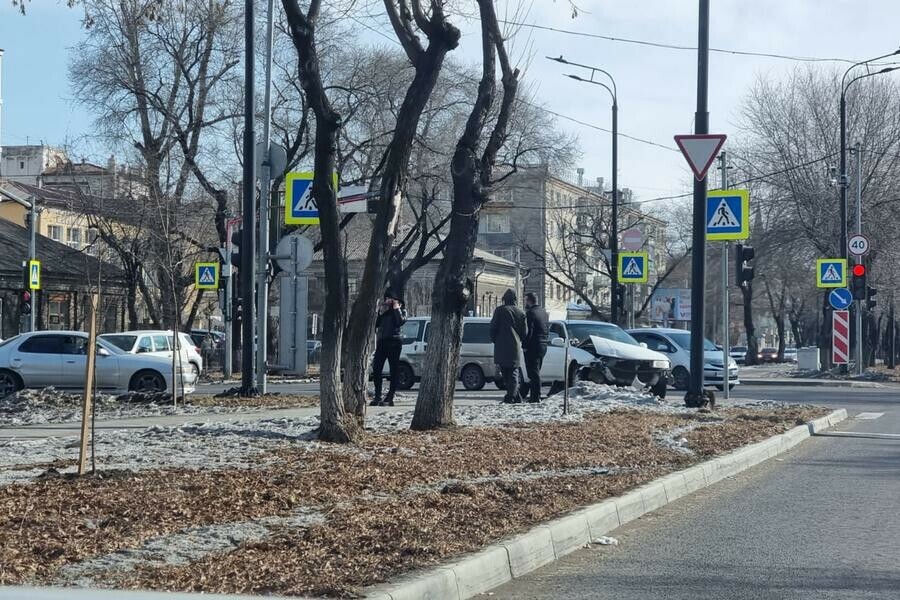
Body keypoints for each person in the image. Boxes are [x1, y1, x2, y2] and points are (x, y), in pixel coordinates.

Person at [490, 288, 527, 404]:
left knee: (506, 373)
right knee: (513, 372)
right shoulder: (520, 313)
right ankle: (515, 397)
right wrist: (518, 339)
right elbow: (524, 332)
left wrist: (496, 340)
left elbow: (492, 328)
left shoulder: (499, 311)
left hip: (500, 346)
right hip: (514, 346)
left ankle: (511, 397)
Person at [371, 291, 407, 407]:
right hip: (382, 342)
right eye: (386, 299)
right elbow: (376, 324)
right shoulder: (384, 312)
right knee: (376, 368)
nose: (387, 301)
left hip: (394, 342)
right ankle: (377, 395)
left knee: (393, 369)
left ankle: (390, 397)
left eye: (390, 299)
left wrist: (396, 308)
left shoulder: (401, 310)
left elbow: (400, 321)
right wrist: (378, 311)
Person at [521, 292, 549, 403]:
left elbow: (529, 332)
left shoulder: (530, 313)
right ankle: (532, 395)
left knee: (533, 373)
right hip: (543, 345)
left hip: (533, 346)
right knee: (535, 371)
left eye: (525, 300)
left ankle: (535, 397)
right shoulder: (544, 312)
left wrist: (525, 345)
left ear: (529, 301)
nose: (524, 303)